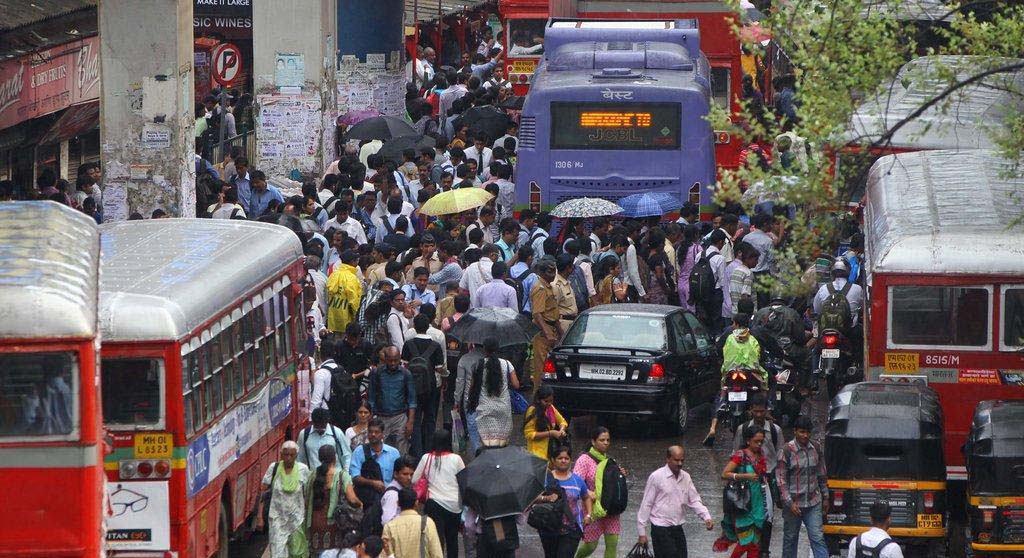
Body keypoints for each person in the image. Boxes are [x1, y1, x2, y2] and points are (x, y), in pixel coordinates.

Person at [637, 446, 715, 558]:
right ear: (668, 459)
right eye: (676, 460)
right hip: (660, 529)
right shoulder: (656, 477)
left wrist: (706, 516)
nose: (679, 463)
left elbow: (694, 500)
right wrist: (642, 533)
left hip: (678, 528)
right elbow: (646, 504)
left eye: (682, 460)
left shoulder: (686, 477)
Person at [704, 313, 764, 447]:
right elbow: (758, 354)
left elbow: (721, 351)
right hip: (750, 373)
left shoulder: (729, 337)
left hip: (730, 372)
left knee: (721, 394)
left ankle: (713, 428)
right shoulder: (753, 338)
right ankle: (769, 410)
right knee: (762, 386)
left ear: (735, 324)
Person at [776, 416, 829, 558]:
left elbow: (821, 474)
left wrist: (825, 497)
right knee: (790, 539)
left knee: (817, 538)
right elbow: (781, 480)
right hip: (793, 504)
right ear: (795, 431)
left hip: (813, 502)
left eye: (807, 432)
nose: (805, 435)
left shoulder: (816, 448)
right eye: (802, 432)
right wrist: (789, 502)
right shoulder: (786, 451)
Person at [716, 428, 771, 558]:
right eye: (756, 441)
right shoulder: (740, 455)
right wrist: (744, 476)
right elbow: (725, 474)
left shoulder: (761, 454)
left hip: (758, 503)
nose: (759, 444)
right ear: (748, 441)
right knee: (745, 542)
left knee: (755, 544)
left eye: (761, 442)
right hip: (743, 504)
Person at [574, 427, 625, 558]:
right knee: (590, 546)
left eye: (608, 440)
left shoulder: (609, 461)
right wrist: (588, 492)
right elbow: (576, 482)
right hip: (592, 509)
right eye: (602, 440)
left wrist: (621, 475)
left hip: (610, 508)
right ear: (593, 441)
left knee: (612, 543)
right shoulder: (584, 460)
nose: (606, 443)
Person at [413, 430, 466, 558]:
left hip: (434, 505)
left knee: (436, 541)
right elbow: (464, 481)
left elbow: (414, 479)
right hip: (454, 506)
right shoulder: (456, 459)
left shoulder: (427, 458)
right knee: (452, 539)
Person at [402, 314, 445, 458]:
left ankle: (417, 451)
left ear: (414, 326)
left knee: (414, 418)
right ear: (428, 327)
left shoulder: (408, 344)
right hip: (431, 387)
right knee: (429, 418)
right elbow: (439, 368)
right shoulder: (435, 346)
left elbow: (405, 365)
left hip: (412, 387)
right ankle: (428, 451)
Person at [538, 446, 592, 558]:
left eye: (566, 458)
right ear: (553, 460)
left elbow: (586, 497)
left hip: (572, 529)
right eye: (560, 458)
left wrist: (588, 515)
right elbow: (533, 498)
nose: (563, 460)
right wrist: (546, 498)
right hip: (549, 529)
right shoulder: (545, 479)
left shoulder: (577, 481)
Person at [306, 445, 361, 554]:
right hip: (334, 524)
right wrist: (360, 504)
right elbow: (352, 499)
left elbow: (307, 500)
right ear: (335, 458)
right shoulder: (342, 475)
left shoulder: (312, 475)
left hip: (314, 523)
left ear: (319, 458)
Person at [466, 337, 520, 449]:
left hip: (485, 409)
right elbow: (516, 385)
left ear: (484, 350)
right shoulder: (507, 364)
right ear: (498, 349)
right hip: (503, 408)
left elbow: (472, 387)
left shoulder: (478, 365)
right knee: (501, 444)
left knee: (488, 445)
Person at [262, 441, 312, 558]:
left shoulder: (303, 469)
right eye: (286, 455)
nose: (289, 458)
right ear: (281, 455)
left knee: (297, 553)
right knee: (277, 553)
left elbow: (309, 490)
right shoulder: (273, 468)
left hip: (297, 519)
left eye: (292, 455)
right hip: (277, 519)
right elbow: (264, 486)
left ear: (296, 455)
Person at [367, 345, 416, 455]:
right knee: (379, 448)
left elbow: (412, 400)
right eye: (390, 360)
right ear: (385, 359)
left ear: (399, 359)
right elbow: (371, 396)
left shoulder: (406, 374)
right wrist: (370, 416)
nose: (393, 363)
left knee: (401, 450)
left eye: (395, 360)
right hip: (381, 416)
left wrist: (410, 422)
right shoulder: (377, 373)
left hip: (400, 417)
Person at [382, 487, 444, 558]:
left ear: (398, 503)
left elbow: (385, 554)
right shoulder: (427, 523)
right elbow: (436, 554)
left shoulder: (389, 527)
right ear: (416, 503)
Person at [530, 260, 561, 393]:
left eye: (554, 271)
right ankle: (538, 399)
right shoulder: (540, 288)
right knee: (541, 367)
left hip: (552, 328)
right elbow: (537, 313)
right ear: (541, 273)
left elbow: (553, 311)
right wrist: (547, 331)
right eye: (549, 272)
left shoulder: (549, 287)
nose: (553, 274)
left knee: (551, 367)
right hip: (543, 332)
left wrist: (560, 331)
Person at [299, 407, 353, 472]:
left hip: (335, 478)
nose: (319, 429)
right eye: (317, 426)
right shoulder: (304, 435)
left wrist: (345, 474)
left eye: (322, 426)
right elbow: (300, 458)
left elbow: (346, 455)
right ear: (313, 422)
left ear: (327, 421)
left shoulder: (337, 433)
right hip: (314, 478)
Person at [524, 385, 569, 460]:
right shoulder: (532, 411)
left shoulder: (550, 408)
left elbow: (562, 421)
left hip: (549, 451)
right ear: (538, 400)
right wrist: (551, 433)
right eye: (546, 401)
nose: (549, 403)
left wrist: (562, 430)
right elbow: (529, 434)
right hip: (536, 453)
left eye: (551, 401)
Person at [327, 250, 364, 334]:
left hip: (332, 318)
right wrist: (356, 318)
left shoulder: (334, 274)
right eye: (357, 260)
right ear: (352, 262)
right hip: (346, 320)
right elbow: (354, 302)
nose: (358, 263)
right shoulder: (351, 278)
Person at [381, 457, 416, 525]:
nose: (409, 478)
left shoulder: (402, 490)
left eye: (411, 474)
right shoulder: (392, 494)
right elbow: (386, 521)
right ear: (395, 474)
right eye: (405, 474)